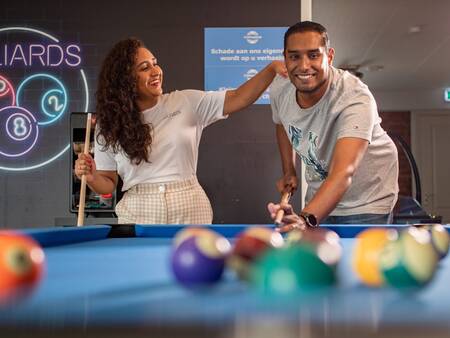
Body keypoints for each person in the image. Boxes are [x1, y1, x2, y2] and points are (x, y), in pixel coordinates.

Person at [74, 37, 286, 224]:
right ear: (125, 80)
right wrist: (91, 176)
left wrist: (272, 68)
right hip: (138, 209)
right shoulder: (108, 124)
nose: (156, 71)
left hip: (189, 204)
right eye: (144, 67)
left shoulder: (186, 102)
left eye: (155, 64)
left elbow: (239, 97)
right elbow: (108, 184)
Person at [268, 21, 398, 232]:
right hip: (320, 195)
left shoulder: (355, 97)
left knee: (359, 264)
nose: (303, 66)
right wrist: (289, 170)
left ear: (329, 56)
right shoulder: (280, 89)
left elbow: (343, 172)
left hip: (366, 199)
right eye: (294, 56)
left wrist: (305, 219)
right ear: (285, 58)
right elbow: (282, 123)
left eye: (313, 55)